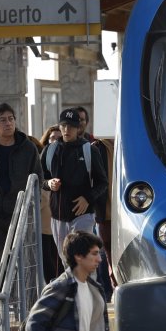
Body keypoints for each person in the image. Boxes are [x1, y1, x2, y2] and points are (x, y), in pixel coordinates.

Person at [0, 103, 42, 292]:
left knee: (24, 259)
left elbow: (37, 181)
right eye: (2, 120)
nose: (8, 123)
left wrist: (30, 207)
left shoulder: (28, 148)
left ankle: (24, 305)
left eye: (11, 119)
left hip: (21, 212)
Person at [42, 109, 108, 262]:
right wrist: (49, 184)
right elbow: (40, 178)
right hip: (57, 216)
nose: (66, 130)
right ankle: (74, 286)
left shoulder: (89, 150)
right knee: (66, 261)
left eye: (71, 126)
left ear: (78, 128)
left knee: (83, 259)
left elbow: (103, 182)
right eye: (64, 126)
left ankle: (88, 286)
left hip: (83, 215)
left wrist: (87, 198)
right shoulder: (50, 150)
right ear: (59, 126)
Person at [38, 126, 63, 281]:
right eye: (52, 137)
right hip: (45, 222)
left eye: (59, 138)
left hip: (63, 216)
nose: (56, 141)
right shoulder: (43, 157)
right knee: (47, 259)